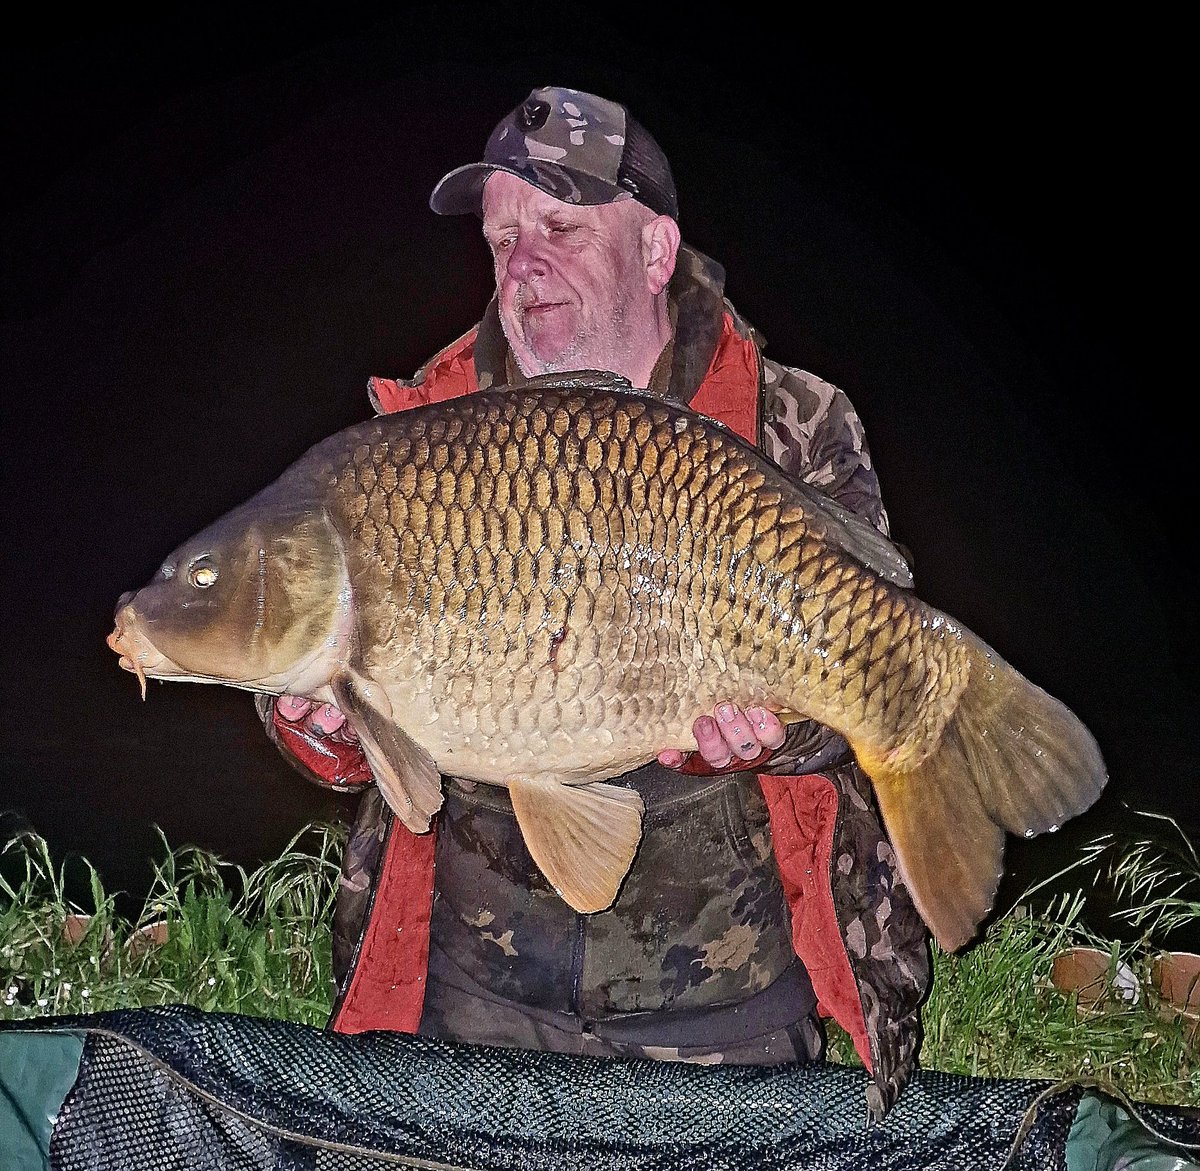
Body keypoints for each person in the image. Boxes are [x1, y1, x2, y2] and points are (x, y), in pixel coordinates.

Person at [258, 86, 930, 1120]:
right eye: (503, 237)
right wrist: (321, 724)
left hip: (730, 997)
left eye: (562, 228)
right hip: (475, 992)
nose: (523, 262)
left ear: (656, 250)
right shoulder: (422, 432)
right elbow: (359, 721)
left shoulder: (791, 423)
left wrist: (779, 734)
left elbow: (865, 672)